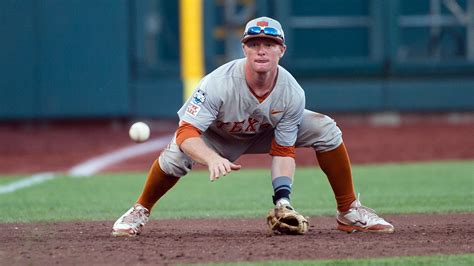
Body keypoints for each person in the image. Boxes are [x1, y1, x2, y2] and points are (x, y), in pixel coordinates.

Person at [112, 16, 394, 236]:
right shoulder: (217, 84)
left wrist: (282, 202)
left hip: (262, 132)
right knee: (175, 156)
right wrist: (211, 158)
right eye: (255, 43)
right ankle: (139, 210)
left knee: (325, 128)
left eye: (269, 44)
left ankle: (348, 211)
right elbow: (186, 131)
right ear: (244, 48)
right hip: (218, 137)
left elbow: (284, 151)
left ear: (281, 50)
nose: (262, 50)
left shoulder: (291, 92)